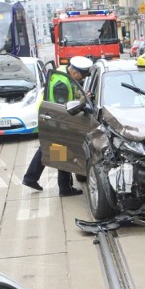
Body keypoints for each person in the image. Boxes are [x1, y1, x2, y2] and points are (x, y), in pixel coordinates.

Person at [22, 56, 94, 197]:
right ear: (74, 72)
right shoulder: (61, 83)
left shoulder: (63, 72)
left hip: (50, 117)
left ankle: (30, 178)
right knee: (62, 153)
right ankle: (65, 188)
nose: (81, 79)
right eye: (81, 76)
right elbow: (66, 109)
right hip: (56, 120)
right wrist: (82, 100)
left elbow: (68, 93)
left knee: (47, 149)